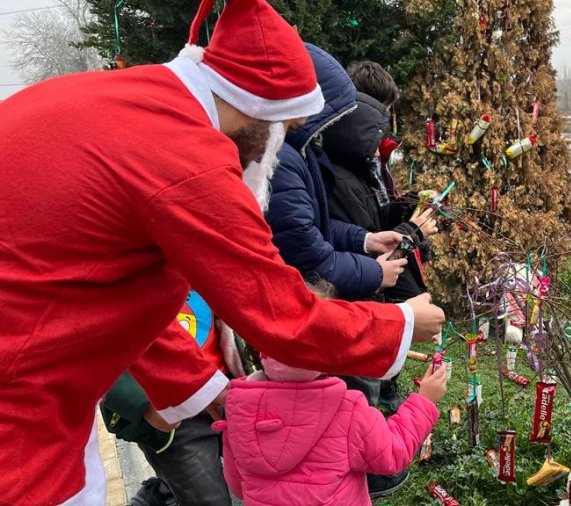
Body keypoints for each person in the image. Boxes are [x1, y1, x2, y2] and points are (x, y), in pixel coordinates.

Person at [0, 0, 444, 503]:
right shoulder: (187, 155)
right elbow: (277, 313)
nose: (278, 149)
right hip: (22, 426)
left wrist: (203, 390)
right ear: (263, 112)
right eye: (288, 128)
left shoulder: (129, 102)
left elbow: (116, 292)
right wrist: (401, 322)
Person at [213, 281, 447, 506]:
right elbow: (393, 453)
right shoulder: (347, 410)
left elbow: (238, 485)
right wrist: (424, 401)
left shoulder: (238, 412)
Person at [266, 45, 406, 301]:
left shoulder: (304, 152)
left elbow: (317, 226)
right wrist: (376, 273)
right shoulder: (282, 162)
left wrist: (367, 240)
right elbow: (309, 258)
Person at [101, 291, 239, 506]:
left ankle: (167, 488)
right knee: (207, 498)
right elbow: (84, 338)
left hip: (227, 388)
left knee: (262, 471)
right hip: (169, 411)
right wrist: (142, 404)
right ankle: (168, 488)